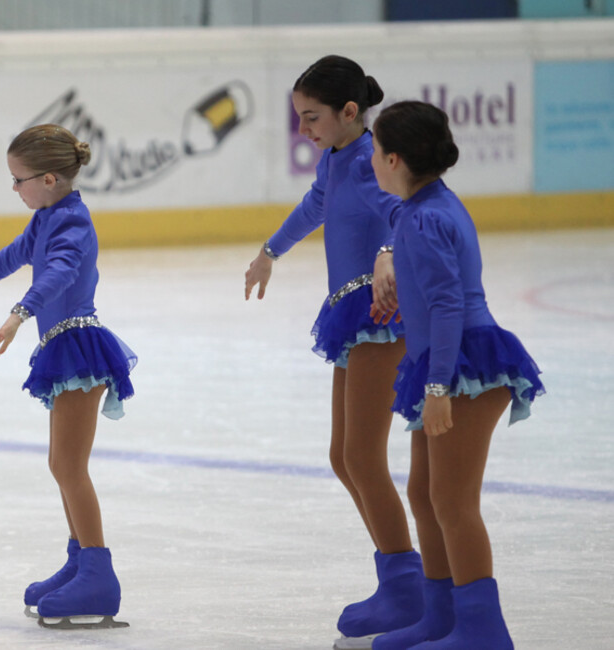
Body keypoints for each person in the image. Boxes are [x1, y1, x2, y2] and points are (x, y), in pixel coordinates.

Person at [242, 55, 420, 649]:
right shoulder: (335, 159)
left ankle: (407, 585)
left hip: (380, 313)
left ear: (350, 112)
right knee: (344, 456)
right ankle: (398, 577)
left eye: (311, 117)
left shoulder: (372, 160)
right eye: (298, 118)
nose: (303, 129)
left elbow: (402, 210)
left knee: (362, 456)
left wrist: (391, 251)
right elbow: (314, 207)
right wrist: (271, 249)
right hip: (351, 315)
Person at [0, 124, 136, 630]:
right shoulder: (47, 216)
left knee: (70, 466)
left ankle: (98, 575)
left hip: (80, 348)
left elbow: (60, 272)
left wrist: (20, 313)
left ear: (48, 179)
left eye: (18, 180)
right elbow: (13, 257)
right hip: (64, 347)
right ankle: (79, 562)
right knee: (60, 462)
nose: (15, 189)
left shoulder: (72, 223)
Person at [368, 101, 543, 650]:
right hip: (445, 363)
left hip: (464, 366)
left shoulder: (425, 218)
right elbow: (411, 249)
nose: (371, 162)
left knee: (452, 502)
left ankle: (483, 632)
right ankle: (441, 615)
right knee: (424, 492)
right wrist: (389, 265)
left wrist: (438, 387)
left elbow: (446, 306)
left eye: (374, 153)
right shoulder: (422, 208)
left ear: (394, 159)